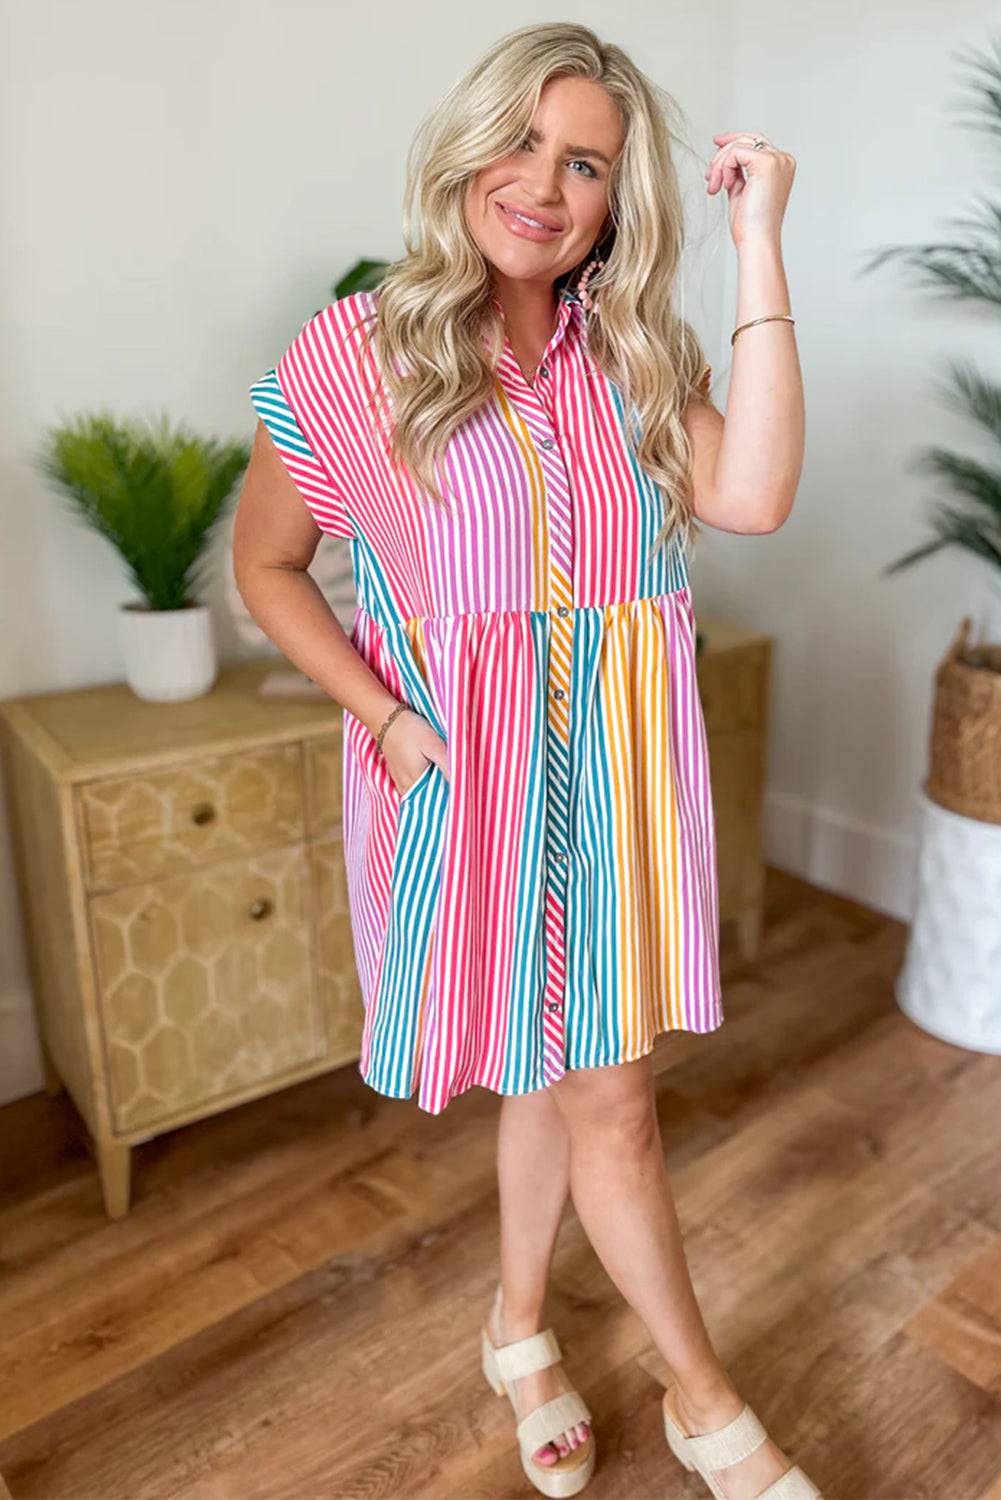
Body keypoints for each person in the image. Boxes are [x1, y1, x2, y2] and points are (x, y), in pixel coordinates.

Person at [234, 21, 813, 1500]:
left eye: (586, 165)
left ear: (619, 203)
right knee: (587, 1090)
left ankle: (520, 1330)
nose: (542, 186)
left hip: (616, 779)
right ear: (464, 150)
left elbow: (749, 493)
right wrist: (384, 715)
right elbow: (271, 568)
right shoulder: (357, 356)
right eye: (519, 143)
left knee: (565, 1084)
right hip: (462, 780)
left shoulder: (624, 358)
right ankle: (705, 1404)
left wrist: (756, 241)